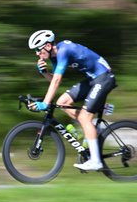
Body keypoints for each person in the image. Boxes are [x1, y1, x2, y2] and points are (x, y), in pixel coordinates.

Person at [27, 29, 117, 171]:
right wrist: (44, 72)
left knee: (84, 118)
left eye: (38, 50)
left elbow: (57, 80)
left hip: (104, 77)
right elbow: (55, 79)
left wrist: (45, 103)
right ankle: (89, 131)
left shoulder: (64, 50)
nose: (37, 54)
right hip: (93, 79)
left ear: (48, 46)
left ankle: (96, 161)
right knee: (62, 102)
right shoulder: (54, 56)